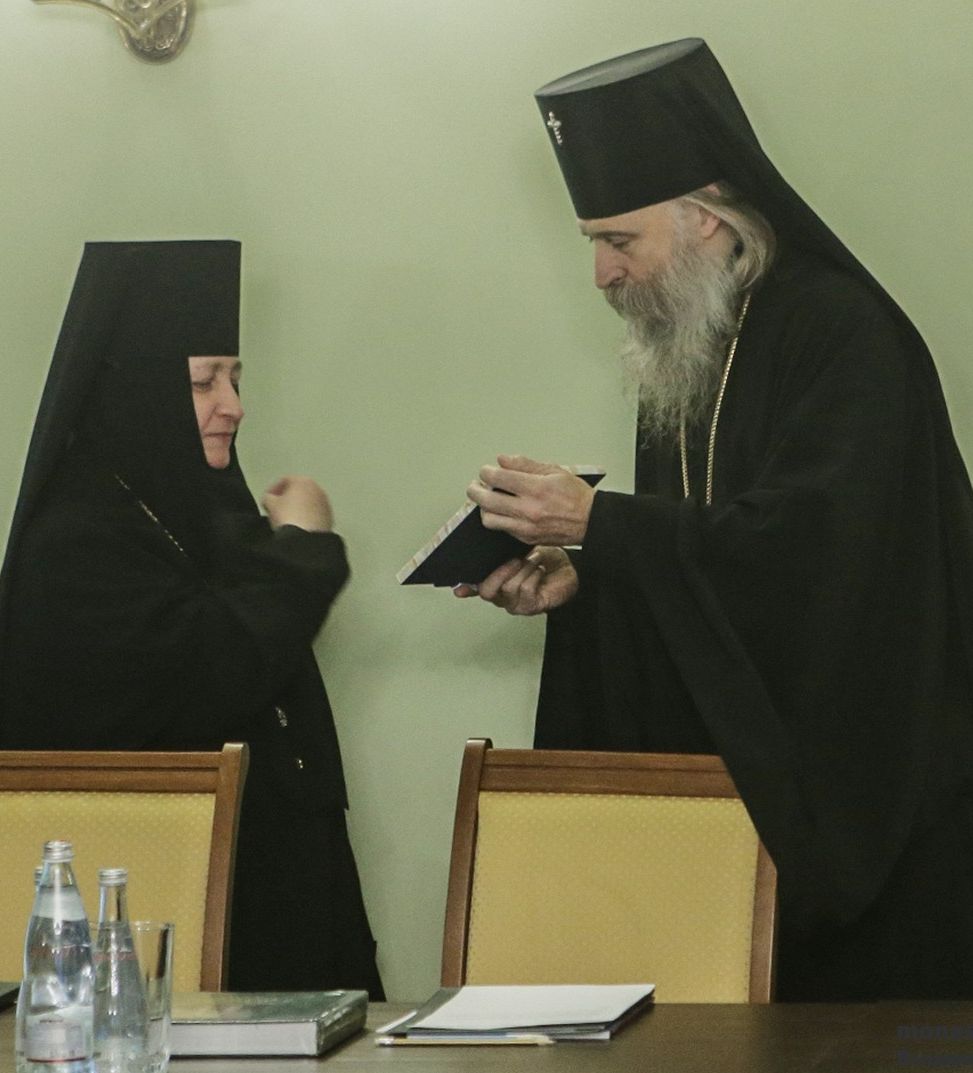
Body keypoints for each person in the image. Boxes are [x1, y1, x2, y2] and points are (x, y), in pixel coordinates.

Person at [456, 39, 973, 1001]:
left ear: (704, 218)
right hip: (729, 818)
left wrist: (605, 525)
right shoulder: (690, 348)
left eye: (619, 241)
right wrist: (586, 574)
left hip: (874, 812)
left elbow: (817, 564)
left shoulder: (843, 334)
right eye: (592, 243)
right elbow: (706, 564)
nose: (601, 274)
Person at [0, 240, 384, 998]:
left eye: (235, 378)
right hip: (151, 933)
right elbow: (212, 671)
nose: (233, 405)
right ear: (133, 388)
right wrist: (304, 549)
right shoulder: (76, 542)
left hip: (267, 885)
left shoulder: (196, 511)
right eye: (204, 381)